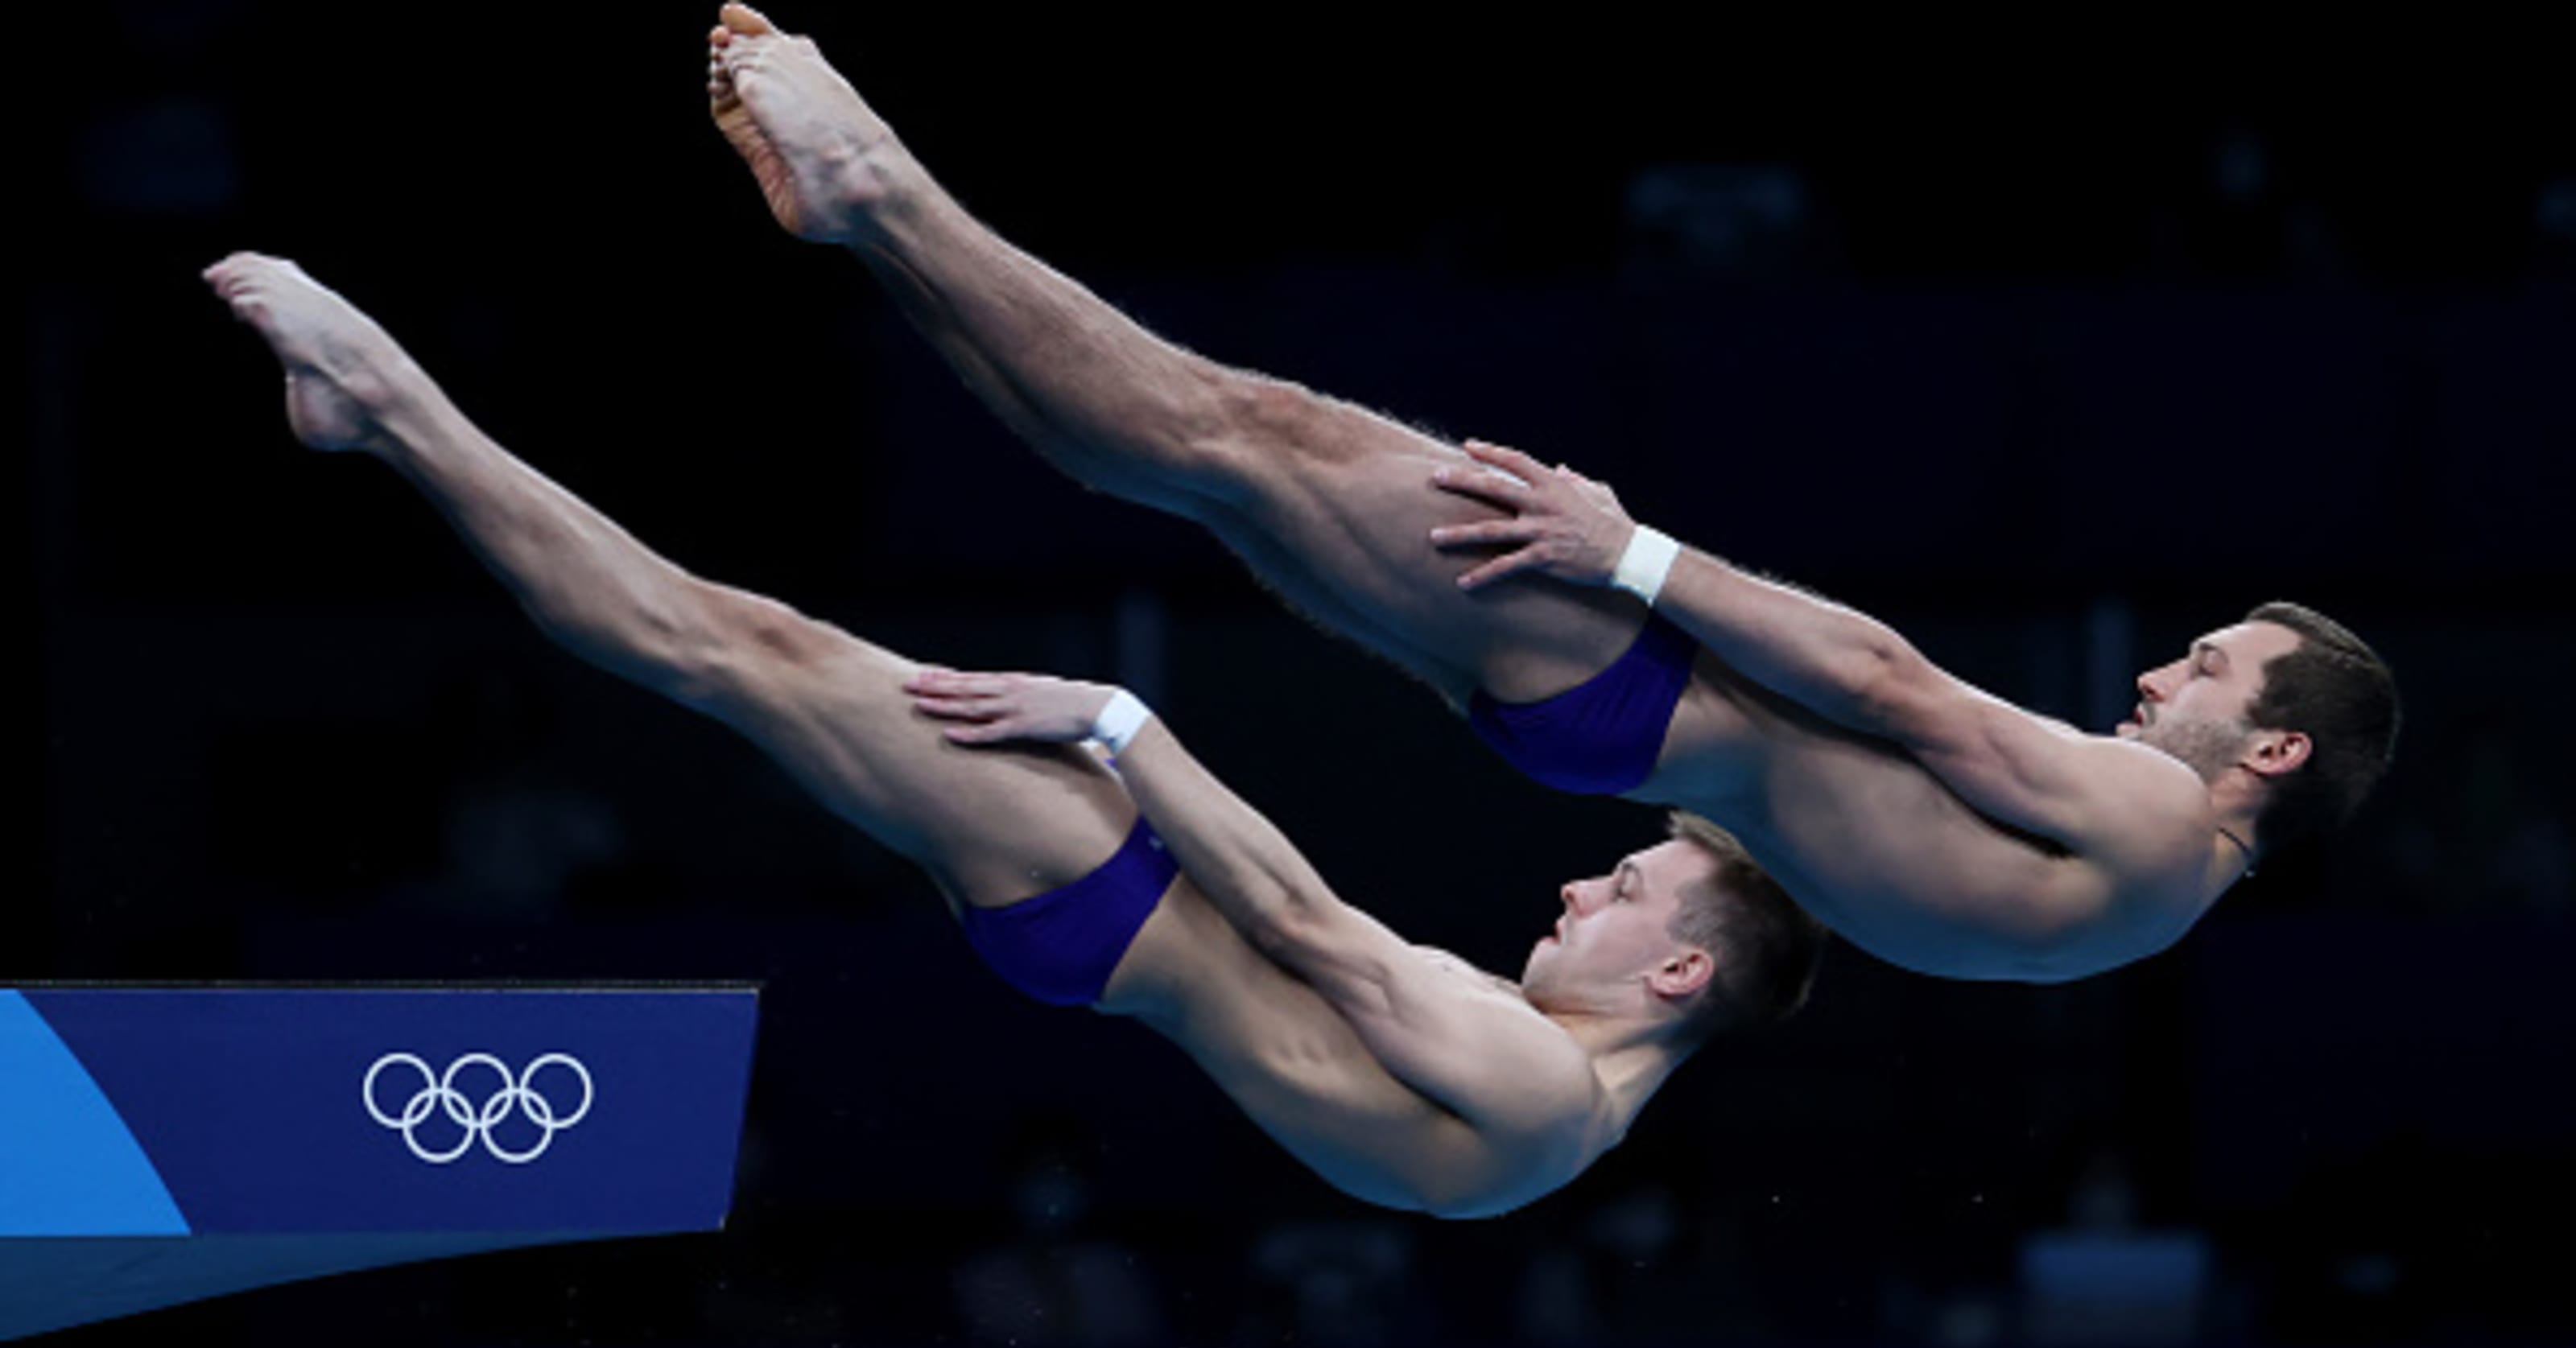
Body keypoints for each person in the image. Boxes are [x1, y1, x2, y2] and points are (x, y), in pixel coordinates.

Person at [702, 6, 2399, 983]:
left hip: (1634, 675)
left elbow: (1895, 690)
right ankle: (874, 230)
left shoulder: (2161, 818)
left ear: (2275, 751)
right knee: (1210, 476)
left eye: (2205, 670)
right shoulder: (2142, 918)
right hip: (1612, 737)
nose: (2164, 675)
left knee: (1243, 432)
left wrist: (1631, 553)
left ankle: (883, 189)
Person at [202, 252, 1823, 1220]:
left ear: (1681, 974)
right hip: (1107, 921)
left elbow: (1303, 925)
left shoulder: (1538, 1089)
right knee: (749, 653)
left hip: (1110, 889)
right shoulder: (1552, 1111)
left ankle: (382, 402)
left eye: (1618, 894)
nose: (1574, 897)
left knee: (732, 646)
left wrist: (1120, 723)